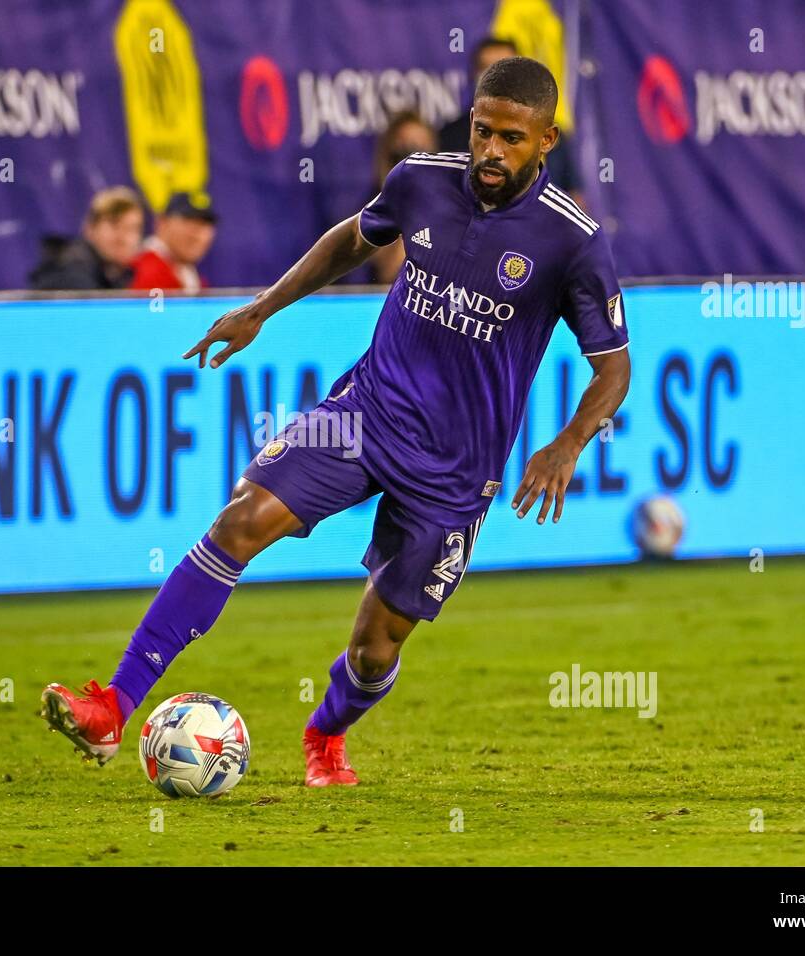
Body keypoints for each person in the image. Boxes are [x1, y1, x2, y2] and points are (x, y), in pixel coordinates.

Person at [39, 58, 631, 787]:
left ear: (547, 140)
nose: (491, 152)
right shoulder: (422, 178)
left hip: (455, 470)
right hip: (365, 414)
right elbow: (353, 239)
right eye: (482, 131)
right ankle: (113, 707)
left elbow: (614, 367)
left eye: (511, 138)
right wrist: (262, 308)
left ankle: (325, 732)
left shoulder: (572, 240)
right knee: (241, 520)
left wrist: (568, 442)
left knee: (375, 649)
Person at [439, 36, 583, 205]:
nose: (499, 79)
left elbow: (574, 197)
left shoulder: (547, 133)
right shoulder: (449, 136)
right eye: (488, 70)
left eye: (506, 69)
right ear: (474, 75)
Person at [368, 111, 438, 285]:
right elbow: (389, 272)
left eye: (422, 151)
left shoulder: (446, 208)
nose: (413, 163)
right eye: (404, 151)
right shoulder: (373, 210)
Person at [29, 187, 143, 291]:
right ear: (90, 228)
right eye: (114, 225)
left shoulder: (117, 275)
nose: (122, 238)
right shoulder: (71, 273)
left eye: (132, 228)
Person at [129, 192, 217, 291]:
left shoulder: (186, 272)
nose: (197, 236)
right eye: (188, 221)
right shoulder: (145, 271)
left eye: (205, 225)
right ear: (162, 223)